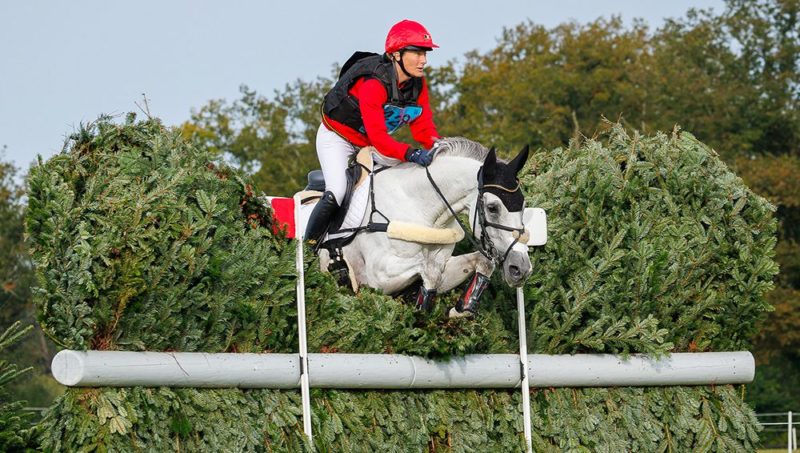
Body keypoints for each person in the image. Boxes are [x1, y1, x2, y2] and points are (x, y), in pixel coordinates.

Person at [305, 19, 442, 244]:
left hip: (367, 144)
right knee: (337, 191)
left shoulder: (418, 85)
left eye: (425, 53)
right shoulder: (374, 84)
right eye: (417, 53)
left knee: (404, 182)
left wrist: (439, 147)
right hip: (337, 138)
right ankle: (306, 249)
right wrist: (412, 154)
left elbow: (423, 129)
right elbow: (380, 138)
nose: (424, 60)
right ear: (396, 54)